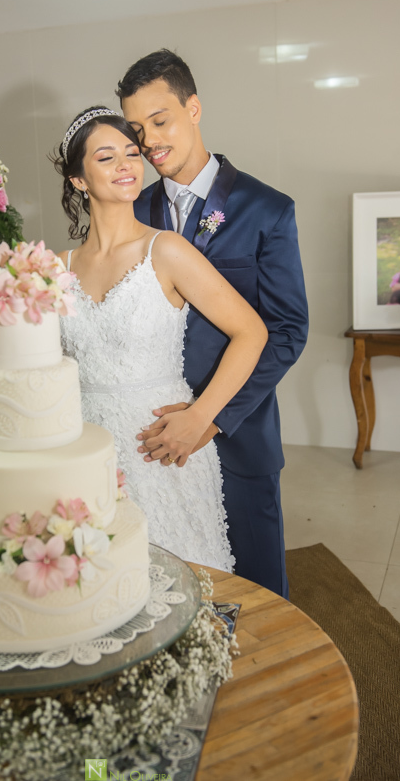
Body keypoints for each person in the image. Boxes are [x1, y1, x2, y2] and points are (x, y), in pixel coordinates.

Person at [117, 49, 309, 598]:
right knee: (170, 585)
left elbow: (288, 330)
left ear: (194, 108)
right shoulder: (134, 212)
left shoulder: (266, 209)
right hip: (152, 434)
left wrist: (209, 418)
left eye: (161, 121)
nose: (150, 141)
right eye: (137, 129)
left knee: (258, 590)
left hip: (238, 432)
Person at [55, 107, 268, 572]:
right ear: (79, 180)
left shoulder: (166, 250)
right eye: (107, 157)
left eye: (132, 153)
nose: (127, 165)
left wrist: (201, 416)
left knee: (179, 584)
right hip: (85, 454)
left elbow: (251, 331)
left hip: (162, 447)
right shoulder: (56, 268)